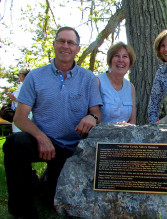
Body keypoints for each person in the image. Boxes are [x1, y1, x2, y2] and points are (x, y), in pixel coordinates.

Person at [3, 26, 102, 219]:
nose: (65, 46)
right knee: (15, 143)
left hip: (73, 149)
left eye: (70, 42)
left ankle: (39, 186)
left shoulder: (88, 78)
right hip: (43, 143)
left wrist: (92, 117)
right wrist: (40, 137)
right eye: (61, 41)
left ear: (77, 49)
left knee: (52, 201)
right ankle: (23, 211)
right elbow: (20, 117)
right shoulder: (35, 77)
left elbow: (96, 112)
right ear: (54, 44)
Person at [96, 42, 136, 124]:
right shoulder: (98, 82)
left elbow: (132, 120)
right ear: (110, 60)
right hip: (100, 135)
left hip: (125, 135)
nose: (121, 60)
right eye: (117, 56)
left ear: (130, 62)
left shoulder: (130, 87)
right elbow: (91, 116)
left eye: (125, 56)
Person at [6, 68, 32, 132]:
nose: (18, 77)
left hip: (21, 113)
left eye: (19, 75)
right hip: (27, 114)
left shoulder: (23, 85)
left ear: (22, 75)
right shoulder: (30, 85)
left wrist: (8, 93)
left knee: (19, 134)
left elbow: (16, 98)